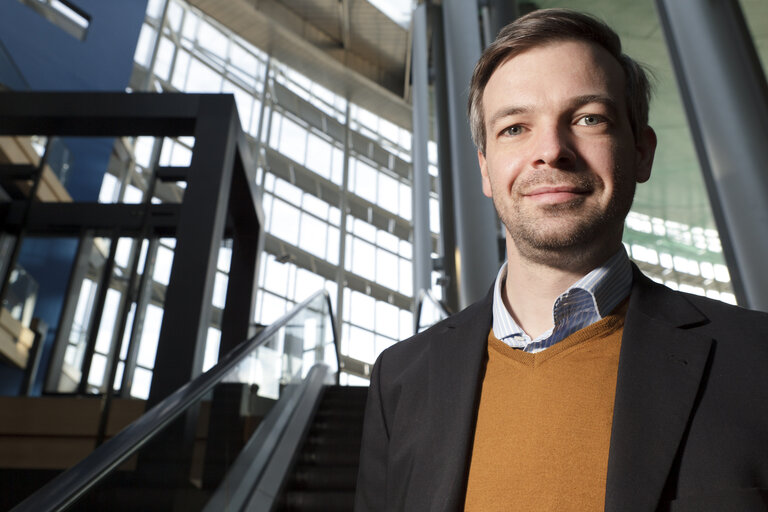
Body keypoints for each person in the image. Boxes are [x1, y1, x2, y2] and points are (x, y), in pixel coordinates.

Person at [354, 8, 768, 512]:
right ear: (486, 170)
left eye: (588, 118)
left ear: (641, 151)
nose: (550, 150)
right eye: (514, 128)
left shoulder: (756, 359)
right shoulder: (401, 379)